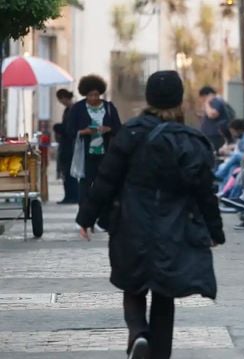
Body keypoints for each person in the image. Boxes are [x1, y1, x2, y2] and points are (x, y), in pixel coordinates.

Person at [76, 71, 225, 359]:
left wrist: (86, 217)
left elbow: (107, 179)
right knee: (164, 292)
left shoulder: (130, 133)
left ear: (149, 99)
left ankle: (138, 334)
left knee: (132, 285)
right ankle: (159, 354)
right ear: (179, 99)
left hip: (131, 222)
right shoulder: (190, 140)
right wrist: (214, 231)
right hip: (174, 227)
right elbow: (205, 192)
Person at [67, 74, 121, 229]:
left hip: (105, 154)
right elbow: (70, 130)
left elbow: (119, 128)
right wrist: (84, 132)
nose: (94, 98)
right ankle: (83, 219)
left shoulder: (109, 108)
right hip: (85, 154)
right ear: (85, 94)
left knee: (103, 186)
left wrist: (108, 129)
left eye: (97, 94)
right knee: (84, 187)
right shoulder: (78, 108)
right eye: (90, 95)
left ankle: (102, 218)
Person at [55, 89, 78, 204]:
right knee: (66, 172)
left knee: (70, 172)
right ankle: (69, 195)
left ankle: (73, 196)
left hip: (71, 145)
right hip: (66, 144)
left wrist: (60, 128)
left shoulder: (73, 110)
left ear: (64, 98)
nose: (61, 102)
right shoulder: (68, 110)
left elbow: (70, 128)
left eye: (60, 99)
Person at [198, 86, 233, 150]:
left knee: (214, 153)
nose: (201, 100)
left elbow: (212, 115)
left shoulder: (216, 101)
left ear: (206, 95)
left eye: (202, 97)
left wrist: (206, 102)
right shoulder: (213, 102)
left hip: (215, 135)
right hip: (211, 135)